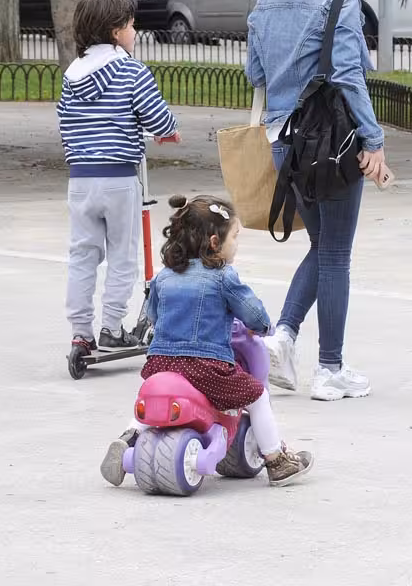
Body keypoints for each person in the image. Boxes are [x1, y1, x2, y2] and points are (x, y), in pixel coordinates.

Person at [245, 0, 387, 402]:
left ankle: (283, 336)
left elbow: (257, 76)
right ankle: (330, 369)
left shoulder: (264, 4)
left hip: (284, 143)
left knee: (322, 247)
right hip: (331, 143)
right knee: (336, 254)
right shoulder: (340, 0)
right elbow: (349, 77)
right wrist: (374, 141)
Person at [100, 195, 314, 488]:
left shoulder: (163, 278)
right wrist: (263, 327)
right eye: (235, 237)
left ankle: (129, 437)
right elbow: (253, 313)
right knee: (256, 396)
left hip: (161, 364)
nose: (236, 244)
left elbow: (152, 315)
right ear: (215, 242)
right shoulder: (223, 277)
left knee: (148, 401)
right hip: (207, 368)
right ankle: (277, 461)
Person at [57, 0, 179, 357]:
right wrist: (168, 131)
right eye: (130, 24)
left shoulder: (71, 75)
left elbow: (65, 121)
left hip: (79, 179)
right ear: (115, 32)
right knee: (122, 254)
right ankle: (111, 326)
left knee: (82, 254)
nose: (135, 30)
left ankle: (81, 332)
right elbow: (158, 118)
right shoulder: (131, 70)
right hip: (119, 177)